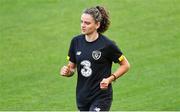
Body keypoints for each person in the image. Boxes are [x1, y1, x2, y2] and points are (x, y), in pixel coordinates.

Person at [60, 6, 130, 111]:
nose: (83, 25)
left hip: (101, 97)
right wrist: (67, 71)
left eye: (87, 23)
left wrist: (110, 79)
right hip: (82, 96)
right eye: (82, 22)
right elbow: (71, 68)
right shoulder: (76, 42)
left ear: (97, 25)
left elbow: (125, 65)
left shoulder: (107, 45)